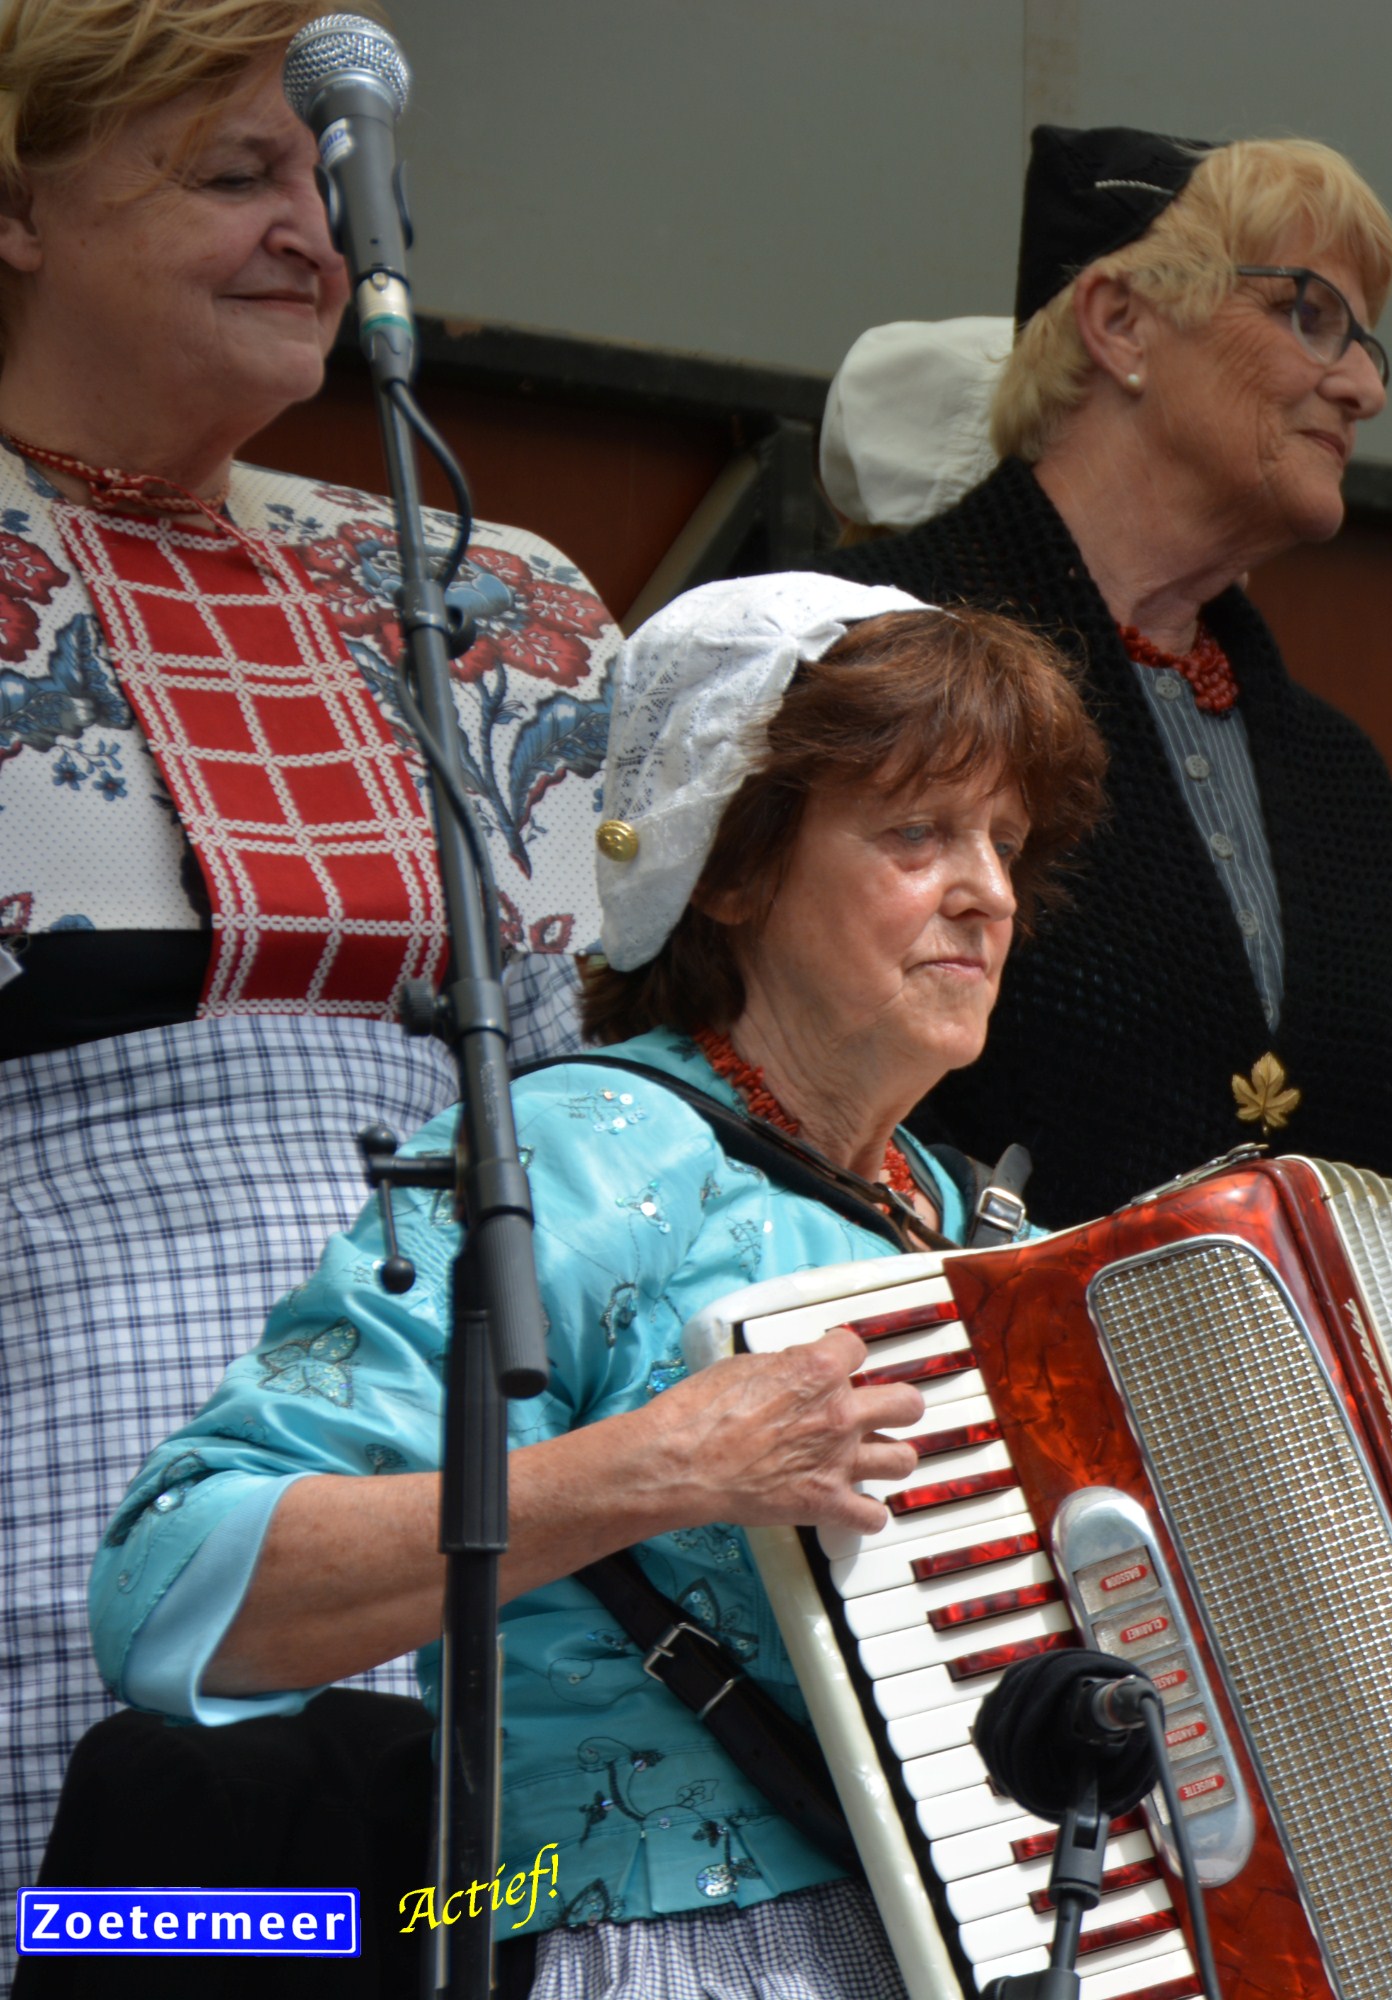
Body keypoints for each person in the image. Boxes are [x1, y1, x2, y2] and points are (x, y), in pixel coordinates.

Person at [84, 573, 1103, 1994]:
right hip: (667, 1944)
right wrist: (659, 1467)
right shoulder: (582, 1151)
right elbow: (168, 1584)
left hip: (1012, 1940)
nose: (987, 890)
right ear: (731, 866)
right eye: (917, 832)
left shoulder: (990, 1231)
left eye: (1004, 841)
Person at [0, 0, 619, 1908]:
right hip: (70, 1532)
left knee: (461, 1939)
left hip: (477, 1522)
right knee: (141, 1948)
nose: (315, 235)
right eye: (234, 175)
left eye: (332, 185)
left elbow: (605, 1122)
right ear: (17, 209)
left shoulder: (491, 597)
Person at [815, 125, 1392, 1227]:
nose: (1363, 386)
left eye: (1366, 342)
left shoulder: (1339, 773)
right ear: (1121, 323)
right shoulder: (861, 646)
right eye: (1309, 312)